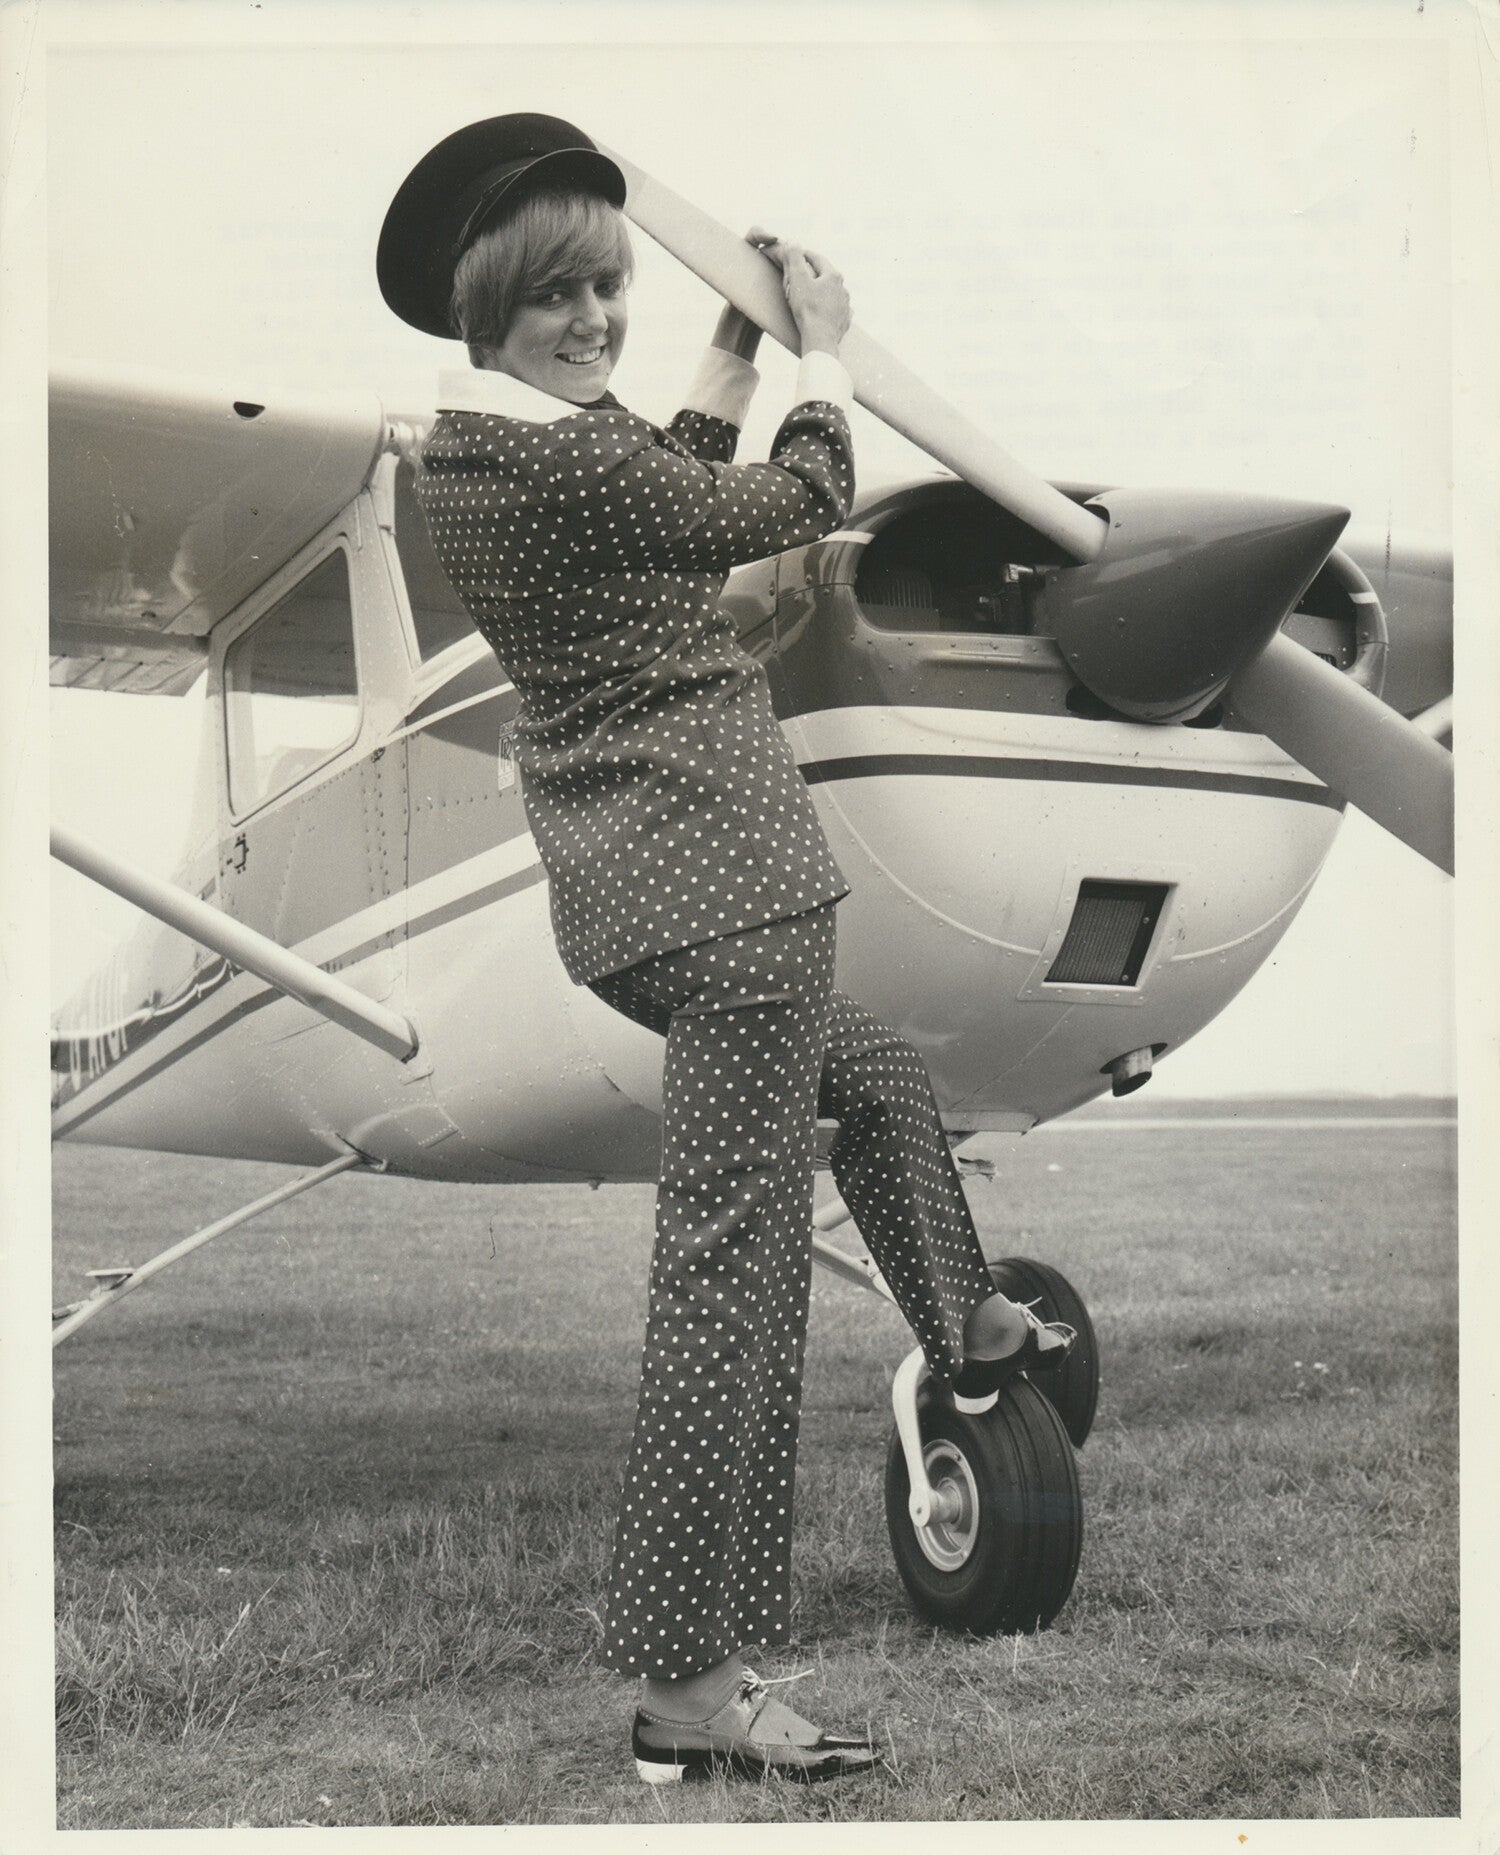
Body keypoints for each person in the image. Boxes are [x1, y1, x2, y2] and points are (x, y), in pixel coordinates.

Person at [378, 113, 1073, 1786]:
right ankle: (690, 1696)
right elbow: (793, 492)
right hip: (735, 895)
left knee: (885, 1074)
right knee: (731, 1292)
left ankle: (966, 1315)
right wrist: (825, 353)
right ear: (489, 307)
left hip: (643, 908)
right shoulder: (567, 463)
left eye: (607, 287)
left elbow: (667, 476)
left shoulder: (483, 459)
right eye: (557, 297)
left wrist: (734, 333)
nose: (590, 319)